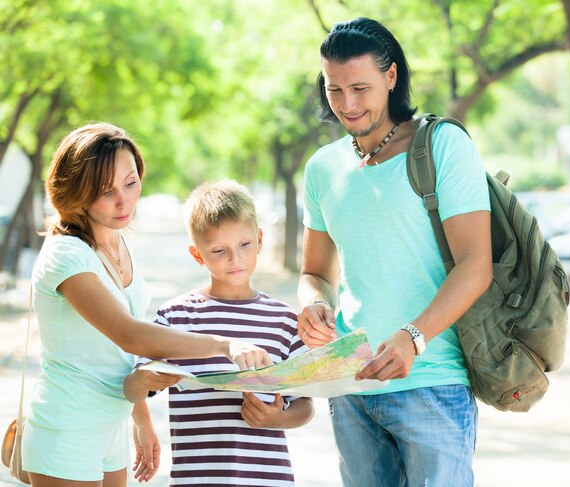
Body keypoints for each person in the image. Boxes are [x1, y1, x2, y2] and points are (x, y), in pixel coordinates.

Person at [297, 17, 493, 487]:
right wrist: (313, 304)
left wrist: (413, 338)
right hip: (351, 385)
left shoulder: (443, 145)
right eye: (334, 89)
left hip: (433, 382)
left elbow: (475, 265)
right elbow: (315, 272)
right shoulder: (323, 169)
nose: (347, 104)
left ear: (391, 77)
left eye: (360, 88)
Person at [22, 123, 272, 487]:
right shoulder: (66, 254)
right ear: (77, 192)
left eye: (131, 182)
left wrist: (141, 420)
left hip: (113, 424)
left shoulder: (119, 240)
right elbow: (129, 335)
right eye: (106, 192)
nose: (124, 200)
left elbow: (120, 356)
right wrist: (224, 345)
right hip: (68, 426)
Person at [125, 179, 314, 486]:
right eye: (218, 250)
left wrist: (279, 419)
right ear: (197, 254)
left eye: (244, 245)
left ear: (260, 239)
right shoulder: (175, 317)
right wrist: (144, 378)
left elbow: (305, 404)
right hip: (196, 479)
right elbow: (133, 390)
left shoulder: (284, 320)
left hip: (268, 479)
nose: (235, 259)